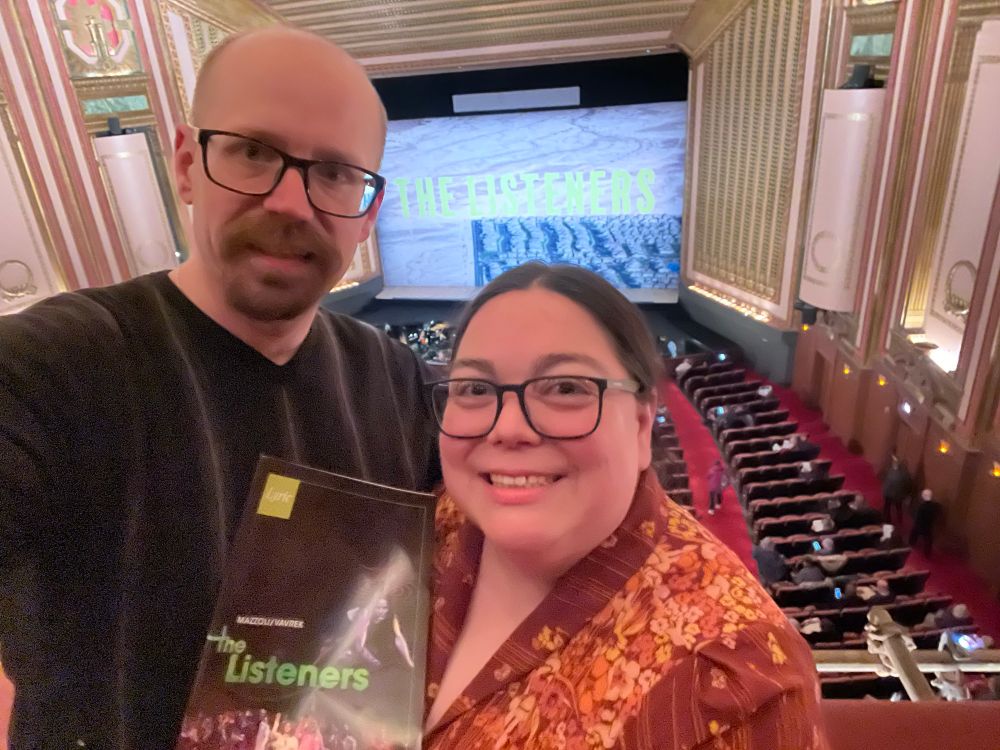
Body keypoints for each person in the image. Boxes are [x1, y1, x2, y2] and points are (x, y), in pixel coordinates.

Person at [0, 28, 441, 748]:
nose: (292, 203)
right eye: (255, 152)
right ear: (185, 165)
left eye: (333, 172)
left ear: (366, 214)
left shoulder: (393, 379)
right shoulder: (55, 367)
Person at [423, 264, 827, 748]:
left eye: (566, 387)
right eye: (473, 389)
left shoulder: (736, 687)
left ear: (640, 426)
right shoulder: (429, 520)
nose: (507, 428)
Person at [881, 453, 914, 526]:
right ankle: (891, 520)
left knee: (892, 508)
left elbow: (907, 484)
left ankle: (893, 520)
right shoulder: (895, 471)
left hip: (894, 494)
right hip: (893, 494)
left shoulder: (900, 473)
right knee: (892, 507)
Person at [910, 488, 943, 556]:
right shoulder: (934, 506)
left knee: (914, 533)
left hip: (920, 524)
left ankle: (911, 544)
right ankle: (927, 552)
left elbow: (918, 517)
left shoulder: (922, 506)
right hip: (929, 525)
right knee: (928, 538)